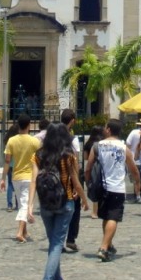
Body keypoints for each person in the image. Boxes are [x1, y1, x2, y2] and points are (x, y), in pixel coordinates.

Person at [28, 123, 88, 280]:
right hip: (65, 202)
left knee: (54, 242)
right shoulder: (68, 155)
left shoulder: (38, 155)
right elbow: (76, 182)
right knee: (57, 244)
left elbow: (33, 180)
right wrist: (84, 200)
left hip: (45, 204)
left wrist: (30, 206)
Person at [85, 118, 140, 262]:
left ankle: (108, 244)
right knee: (113, 218)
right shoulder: (123, 148)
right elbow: (133, 169)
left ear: (109, 129)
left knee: (106, 217)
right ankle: (103, 248)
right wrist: (138, 182)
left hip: (102, 187)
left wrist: (88, 182)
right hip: (117, 188)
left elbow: (88, 167)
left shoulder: (97, 146)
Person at [0, 113, 40, 243]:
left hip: (16, 177)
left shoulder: (11, 141)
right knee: (25, 205)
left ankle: (25, 231)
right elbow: (42, 157)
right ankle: (19, 232)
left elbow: (7, 161)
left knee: (22, 203)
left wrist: (3, 178)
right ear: (29, 125)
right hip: (29, 177)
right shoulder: (34, 141)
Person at [60, 108, 82, 252]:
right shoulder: (72, 139)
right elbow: (75, 164)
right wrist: (77, 185)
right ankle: (71, 239)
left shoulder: (52, 136)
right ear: (72, 121)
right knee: (74, 209)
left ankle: (58, 239)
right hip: (68, 180)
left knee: (58, 209)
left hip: (55, 179)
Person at [124, 116, 141, 202]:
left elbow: (128, 144)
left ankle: (137, 195)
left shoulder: (133, 132)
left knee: (135, 179)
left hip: (133, 159)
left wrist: (127, 156)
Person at [83, 125, 105, 219]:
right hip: (103, 167)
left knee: (94, 188)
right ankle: (101, 209)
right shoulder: (103, 143)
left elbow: (85, 158)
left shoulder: (88, 144)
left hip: (92, 167)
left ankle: (94, 212)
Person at [3, 122, 20, 212]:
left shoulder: (8, 142)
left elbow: (6, 156)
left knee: (10, 184)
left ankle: (9, 205)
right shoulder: (18, 141)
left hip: (10, 166)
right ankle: (18, 204)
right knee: (17, 185)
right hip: (18, 165)